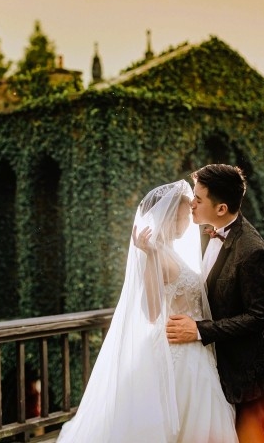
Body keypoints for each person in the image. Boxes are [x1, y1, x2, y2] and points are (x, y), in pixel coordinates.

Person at [57, 179, 238, 442]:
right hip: (178, 351)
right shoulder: (155, 254)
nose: (186, 222)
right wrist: (151, 256)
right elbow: (152, 312)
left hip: (196, 346)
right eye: (181, 216)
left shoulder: (174, 252)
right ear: (167, 217)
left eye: (185, 216)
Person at [166, 164, 264, 443]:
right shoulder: (210, 233)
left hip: (245, 375)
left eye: (198, 199)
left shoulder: (252, 250)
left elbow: (258, 317)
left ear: (221, 208)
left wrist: (199, 330)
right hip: (214, 367)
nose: (191, 204)